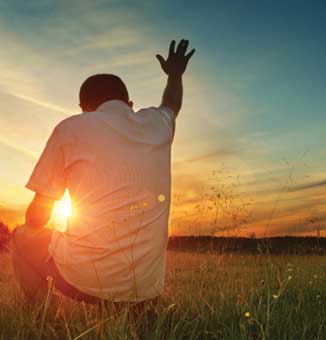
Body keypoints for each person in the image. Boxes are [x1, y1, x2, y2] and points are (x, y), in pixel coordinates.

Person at [12, 40, 195, 305]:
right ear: (129, 104)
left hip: (84, 284)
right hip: (145, 289)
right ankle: (130, 310)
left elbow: (38, 216)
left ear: (84, 108)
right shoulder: (158, 124)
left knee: (21, 236)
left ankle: (43, 321)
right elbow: (171, 104)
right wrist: (175, 75)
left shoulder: (70, 128)